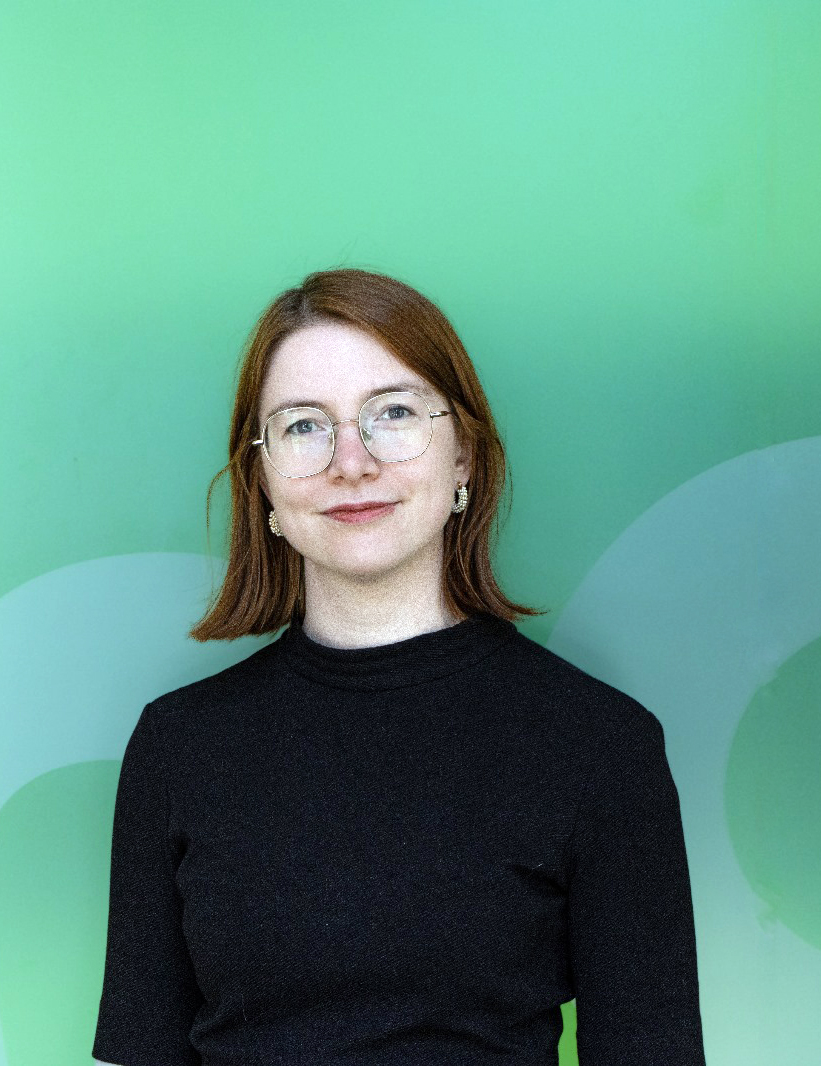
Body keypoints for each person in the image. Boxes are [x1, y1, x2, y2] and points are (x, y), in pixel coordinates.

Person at [92, 268, 706, 1065]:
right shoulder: (178, 747)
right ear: (264, 480)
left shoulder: (600, 745)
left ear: (464, 457)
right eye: (303, 426)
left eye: (394, 413)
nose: (351, 461)